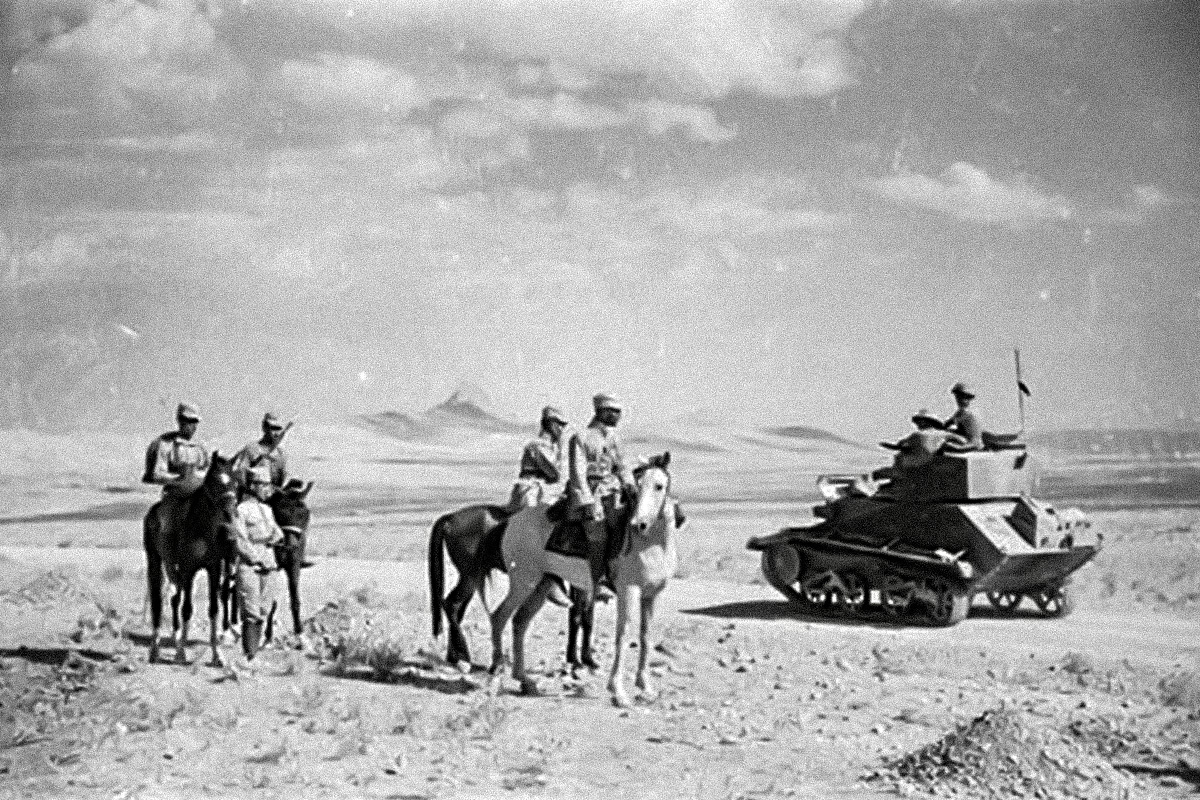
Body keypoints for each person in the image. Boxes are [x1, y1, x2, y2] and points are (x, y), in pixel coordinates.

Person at [566, 393, 635, 597]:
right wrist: (586, 500)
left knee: (628, 522)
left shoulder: (614, 439)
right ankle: (597, 581)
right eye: (611, 411)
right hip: (590, 491)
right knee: (597, 530)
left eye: (618, 411)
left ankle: (619, 573)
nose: (616, 415)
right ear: (599, 411)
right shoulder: (581, 436)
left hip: (612, 490)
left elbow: (622, 466)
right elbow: (577, 472)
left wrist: (630, 484)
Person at [229, 465, 285, 661]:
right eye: (264, 485)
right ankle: (249, 656)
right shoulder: (241, 510)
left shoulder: (268, 510)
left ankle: (254, 653)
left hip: (269, 563)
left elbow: (278, 533)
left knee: (264, 609)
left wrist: (271, 537)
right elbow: (241, 540)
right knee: (251, 612)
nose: (267, 489)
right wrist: (256, 557)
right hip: (250, 565)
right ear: (253, 486)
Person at [142, 402, 211, 546]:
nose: (192, 426)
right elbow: (156, 473)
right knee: (167, 524)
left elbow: (208, 468)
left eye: (194, 422)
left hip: (199, 494)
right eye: (188, 421)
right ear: (179, 420)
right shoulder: (165, 444)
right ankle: (170, 558)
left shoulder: (201, 446)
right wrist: (178, 477)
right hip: (175, 495)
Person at [508, 405, 569, 510]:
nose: (562, 429)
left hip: (542, 491)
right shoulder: (539, 446)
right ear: (551, 424)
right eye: (560, 424)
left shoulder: (549, 446)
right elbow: (556, 474)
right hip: (531, 493)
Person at [879, 409, 967, 471]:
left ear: (926, 421)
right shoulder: (945, 434)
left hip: (917, 463)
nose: (917, 424)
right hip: (933, 462)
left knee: (898, 457)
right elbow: (963, 441)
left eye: (919, 421)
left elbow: (899, 445)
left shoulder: (917, 435)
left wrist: (886, 445)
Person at [232, 411, 290, 496]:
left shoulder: (281, 454)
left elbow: (281, 479)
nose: (276, 433)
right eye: (272, 428)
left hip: (272, 497)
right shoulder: (251, 448)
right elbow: (239, 472)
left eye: (278, 429)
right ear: (264, 428)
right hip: (251, 497)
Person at [943, 382, 984, 451]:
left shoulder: (966, 412)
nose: (958, 400)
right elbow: (946, 424)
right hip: (969, 442)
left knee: (945, 444)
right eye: (957, 397)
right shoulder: (963, 412)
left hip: (971, 444)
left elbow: (946, 424)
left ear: (968, 399)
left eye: (961, 397)